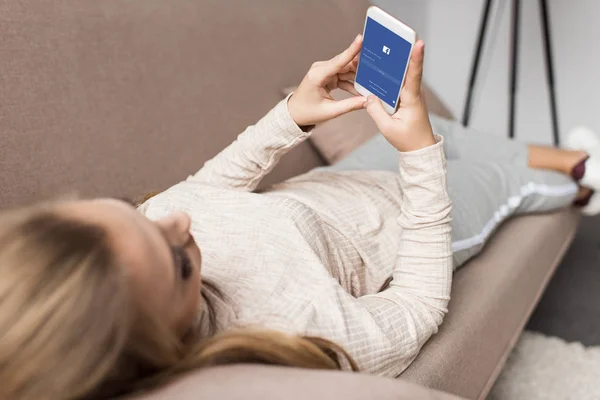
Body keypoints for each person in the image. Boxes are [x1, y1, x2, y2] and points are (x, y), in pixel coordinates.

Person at [0, 35, 598, 399]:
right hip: (413, 220)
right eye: (177, 262)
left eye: (135, 211)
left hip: (338, 186)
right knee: (508, 181)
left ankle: (569, 153)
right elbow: (416, 307)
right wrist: (417, 155)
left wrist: (294, 114)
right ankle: (579, 178)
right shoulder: (294, 332)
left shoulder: (148, 240)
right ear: (159, 349)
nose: (176, 222)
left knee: (451, 134)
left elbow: (205, 190)